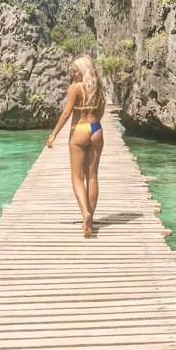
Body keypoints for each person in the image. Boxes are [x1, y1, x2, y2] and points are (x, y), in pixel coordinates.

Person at [46, 54, 105, 238]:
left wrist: (53, 134)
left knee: (77, 178)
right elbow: (101, 112)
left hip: (79, 130)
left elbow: (66, 113)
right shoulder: (99, 89)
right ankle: (91, 220)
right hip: (96, 129)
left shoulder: (75, 89)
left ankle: (85, 213)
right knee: (93, 176)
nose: (72, 74)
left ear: (82, 71)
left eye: (74, 71)